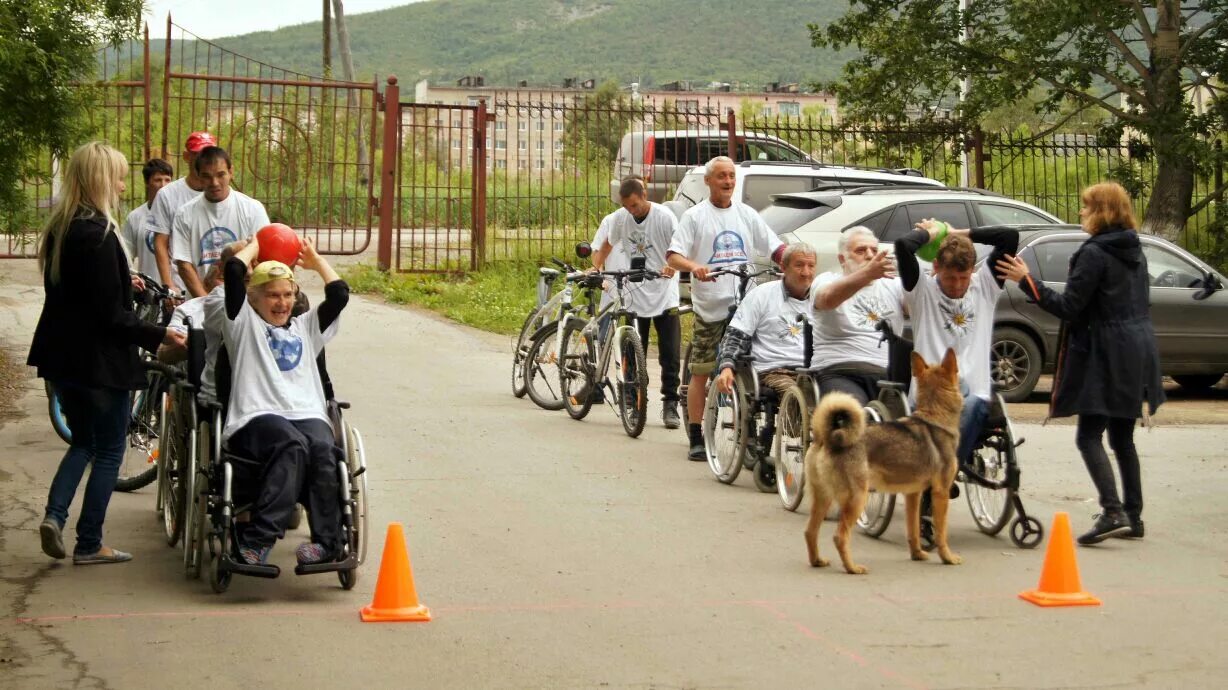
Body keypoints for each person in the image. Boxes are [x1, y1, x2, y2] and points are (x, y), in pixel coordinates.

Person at [28, 141, 186, 564]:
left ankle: (55, 517)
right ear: (100, 180)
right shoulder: (98, 234)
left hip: (61, 358)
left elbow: (84, 293)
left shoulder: (64, 228)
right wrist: (161, 335)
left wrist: (124, 279)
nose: (122, 184)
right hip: (97, 362)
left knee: (82, 442)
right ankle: (89, 542)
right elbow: (109, 317)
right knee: (109, 450)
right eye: (117, 176)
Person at [996, 182, 1163, 545]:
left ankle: (1112, 510)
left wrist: (1027, 281)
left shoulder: (1094, 253)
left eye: (1086, 208)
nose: (1081, 213)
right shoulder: (1134, 249)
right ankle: (1133, 515)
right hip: (1137, 347)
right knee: (1122, 436)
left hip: (1105, 350)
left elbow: (1070, 306)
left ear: (1102, 211)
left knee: (1089, 434)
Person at [221, 236, 349, 566]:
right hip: (258, 414)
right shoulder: (241, 324)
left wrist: (315, 260)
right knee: (292, 445)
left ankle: (327, 543)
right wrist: (257, 244)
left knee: (322, 450)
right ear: (255, 298)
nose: (282, 303)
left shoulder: (307, 327)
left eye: (288, 294)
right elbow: (233, 271)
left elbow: (339, 294)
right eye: (273, 295)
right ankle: (258, 541)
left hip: (307, 413)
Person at [667, 156, 785, 461]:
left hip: (747, 302)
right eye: (721, 176)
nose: (728, 182)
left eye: (731, 176)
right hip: (711, 305)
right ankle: (697, 433)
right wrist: (695, 267)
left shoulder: (746, 214)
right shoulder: (694, 217)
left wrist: (789, 262)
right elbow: (674, 256)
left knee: (754, 366)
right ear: (708, 181)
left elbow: (772, 245)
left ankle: (750, 432)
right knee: (702, 372)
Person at [895, 219, 1019, 469]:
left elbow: (1009, 236)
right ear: (937, 267)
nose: (958, 285)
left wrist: (956, 233)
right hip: (931, 395)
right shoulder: (922, 290)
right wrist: (931, 234)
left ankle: (943, 471)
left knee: (973, 402)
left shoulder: (985, 285)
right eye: (951, 278)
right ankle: (941, 474)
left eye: (964, 277)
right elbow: (903, 246)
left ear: (973, 270)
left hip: (973, 393)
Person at [591, 177, 683, 429]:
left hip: (663, 292)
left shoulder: (664, 217)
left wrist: (672, 265)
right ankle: (634, 403)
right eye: (627, 206)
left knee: (670, 354)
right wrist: (595, 267)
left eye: (634, 205)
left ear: (644, 194)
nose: (631, 210)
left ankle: (670, 404)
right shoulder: (621, 218)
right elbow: (608, 243)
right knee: (631, 352)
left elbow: (680, 248)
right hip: (634, 292)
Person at [809, 227, 905, 406]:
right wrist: (867, 274)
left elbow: (921, 305)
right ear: (842, 259)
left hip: (888, 373)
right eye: (861, 251)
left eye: (874, 251)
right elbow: (827, 299)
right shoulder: (826, 280)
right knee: (851, 418)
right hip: (841, 369)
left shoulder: (894, 285)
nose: (870, 255)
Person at [714, 242, 817, 397]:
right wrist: (727, 366)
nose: (806, 272)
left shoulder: (822, 298)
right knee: (797, 397)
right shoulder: (761, 295)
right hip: (774, 371)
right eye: (799, 265)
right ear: (783, 267)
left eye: (811, 266)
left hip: (813, 370)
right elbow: (736, 335)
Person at [171, 146, 270, 298]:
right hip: (201, 301)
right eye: (207, 176)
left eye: (220, 174)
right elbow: (184, 265)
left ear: (231, 172)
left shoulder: (252, 209)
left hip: (246, 302)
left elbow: (264, 260)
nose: (214, 182)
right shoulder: (184, 214)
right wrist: (205, 303)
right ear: (197, 175)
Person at [146, 131, 216, 291]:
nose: (204, 160)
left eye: (208, 154)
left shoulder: (219, 193)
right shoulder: (168, 195)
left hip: (216, 285)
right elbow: (160, 242)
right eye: (197, 154)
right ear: (186, 156)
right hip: (181, 285)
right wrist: (168, 284)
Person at [119, 158, 174, 282]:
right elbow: (126, 257)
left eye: (167, 180)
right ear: (147, 182)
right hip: (149, 291)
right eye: (158, 180)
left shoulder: (180, 214)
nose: (163, 185)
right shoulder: (135, 217)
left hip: (178, 291)